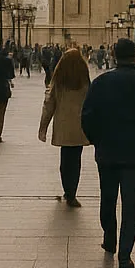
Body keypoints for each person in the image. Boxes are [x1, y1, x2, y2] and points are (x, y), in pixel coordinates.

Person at [80, 36, 135, 268]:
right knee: (130, 204)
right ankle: (125, 255)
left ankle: (109, 239)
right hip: (134, 154)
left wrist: (96, 139)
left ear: (114, 55)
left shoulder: (101, 82)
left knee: (107, 199)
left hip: (107, 151)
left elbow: (87, 115)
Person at [39, 47, 92, 207]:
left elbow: (49, 104)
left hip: (63, 124)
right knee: (76, 160)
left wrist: (43, 127)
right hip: (79, 125)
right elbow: (91, 103)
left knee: (65, 160)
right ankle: (72, 192)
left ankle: (67, 190)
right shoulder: (85, 80)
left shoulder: (59, 80)